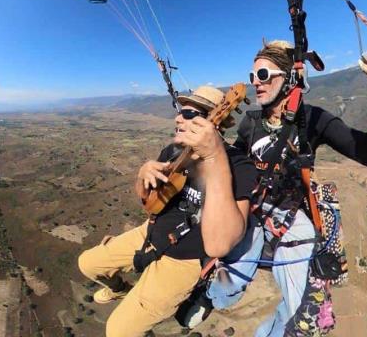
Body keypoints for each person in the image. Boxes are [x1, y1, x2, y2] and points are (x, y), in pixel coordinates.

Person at [208, 40, 367, 336]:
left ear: (287, 79)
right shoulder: (251, 123)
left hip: (292, 218)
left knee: (302, 317)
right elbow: (235, 165)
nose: (255, 84)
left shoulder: (311, 120)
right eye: (252, 77)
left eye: (262, 76)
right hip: (254, 210)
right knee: (223, 291)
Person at [77, 86, 258, 337]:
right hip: (149, 234)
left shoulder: (238, 165)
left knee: (118, 331)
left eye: (187, 113)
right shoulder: (174, 151)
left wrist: (214, 157)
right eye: (178, 111)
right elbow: (148, 202)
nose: (177, 118)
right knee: (88, 264)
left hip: (182, 261)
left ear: (211, 122)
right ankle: (120, 289)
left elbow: (221, 244)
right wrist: (142, 176)